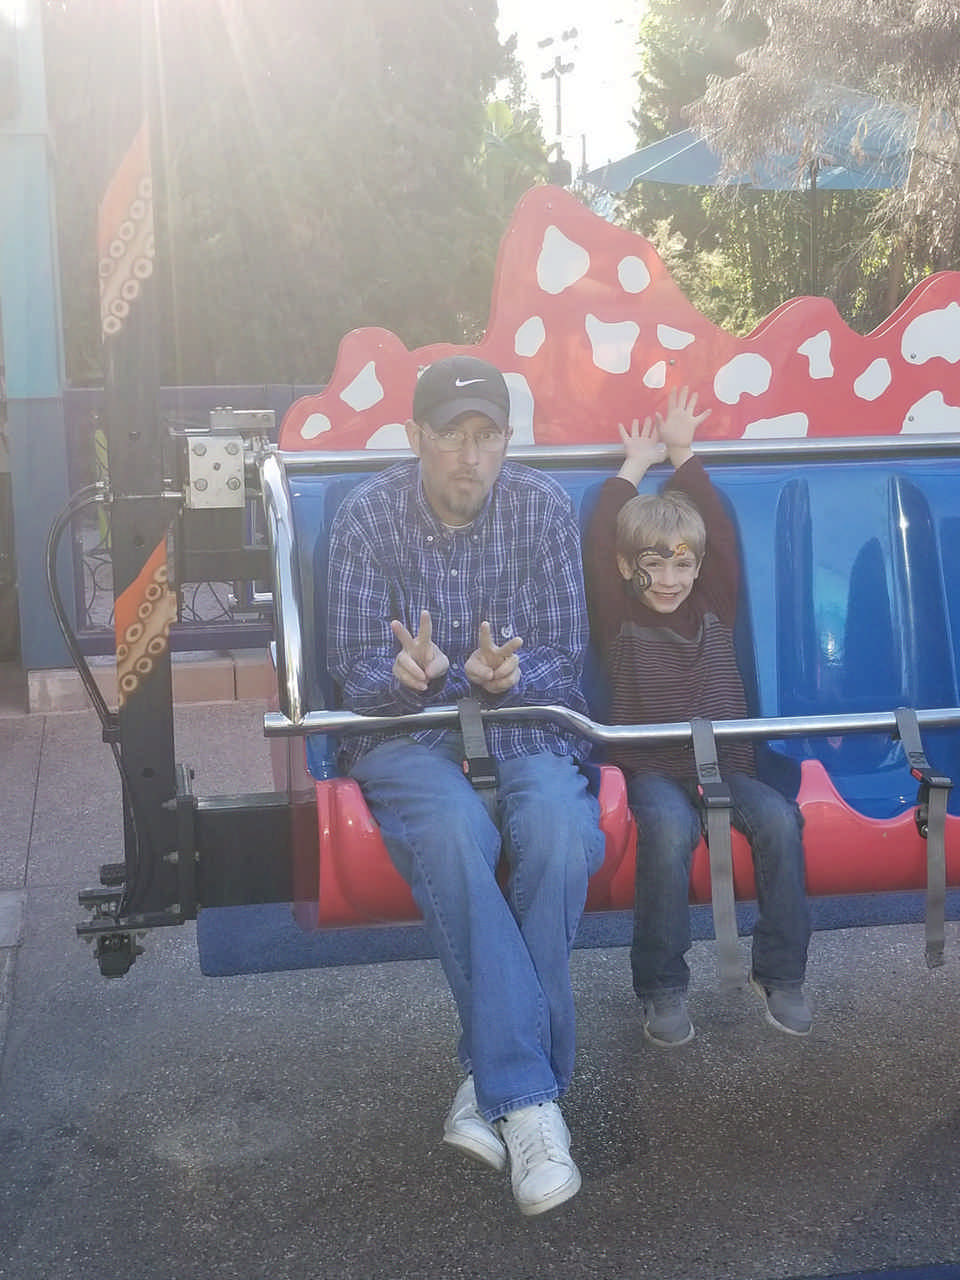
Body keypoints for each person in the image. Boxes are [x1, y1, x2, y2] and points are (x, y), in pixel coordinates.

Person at [326, 354, 605, 1216]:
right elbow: (349, 669)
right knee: (452, 831)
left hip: (524, 723)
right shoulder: (366, 517)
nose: (470, 455)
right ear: (416, 436)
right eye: (452, 435)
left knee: (560, 831)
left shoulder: (542, 507)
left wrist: (507, 676)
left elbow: (563, 657)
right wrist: (400, 678)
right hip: (405, 733)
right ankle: (529, 1100)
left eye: (487, 436)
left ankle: (492, 1084)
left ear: (507, 440)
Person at [583, 387, 812, 1047]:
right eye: (652, 565)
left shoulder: (714, 603)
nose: (668, 579)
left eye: (681, 565)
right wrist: (633, 468)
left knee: (780, 820)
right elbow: (599, 540)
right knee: (668, 831)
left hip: (726, 767)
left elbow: (716, 527)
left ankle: (781, 973)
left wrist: (683, 454)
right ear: (627, 568)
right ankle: (662, 987)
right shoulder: (619, 616)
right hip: (653, 772)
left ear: (697, 567)